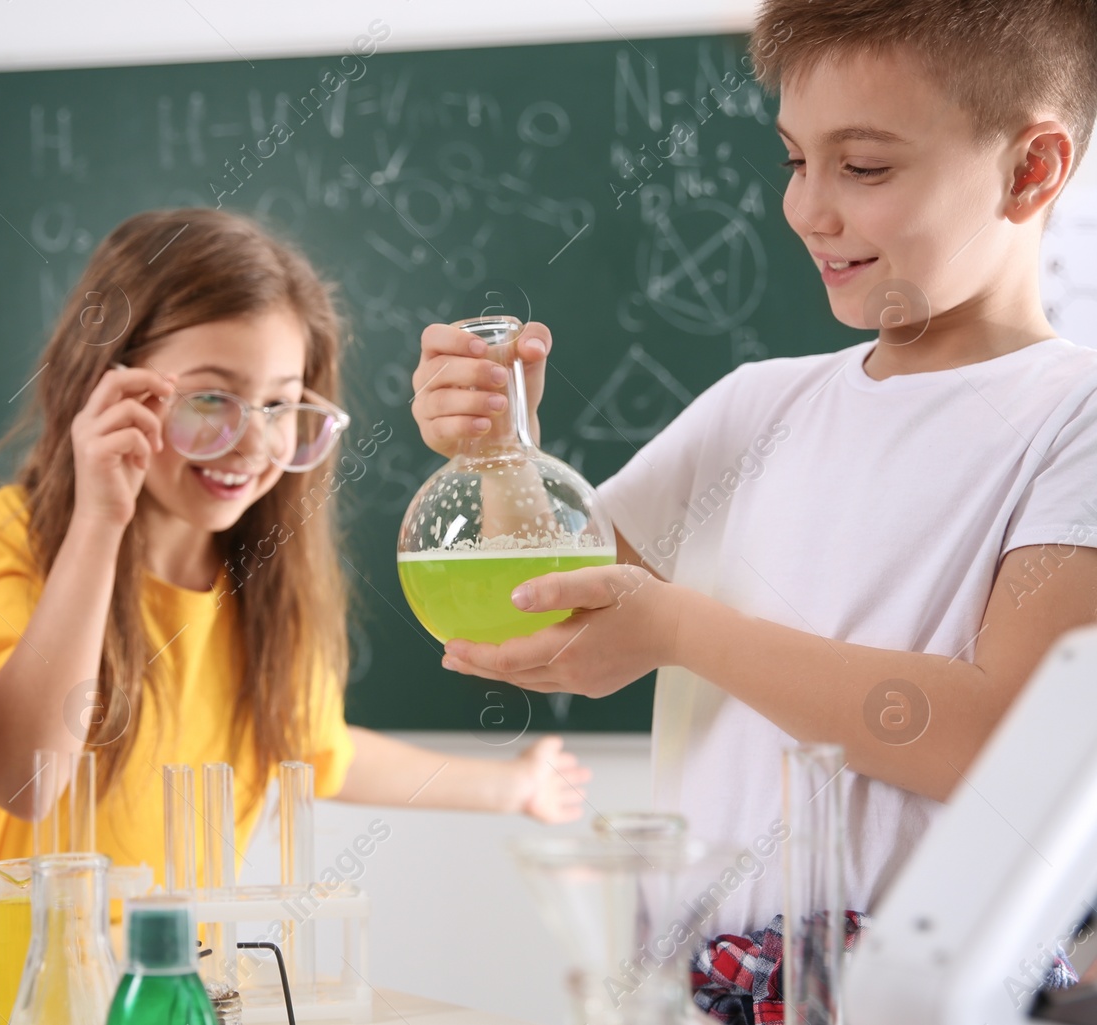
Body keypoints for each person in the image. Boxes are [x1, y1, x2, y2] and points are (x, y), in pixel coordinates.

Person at [410, 0, 1097, 1013]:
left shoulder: (1070, 416)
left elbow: (1006, 740)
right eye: (792, 160)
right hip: (686, 989)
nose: (807, 209)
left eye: (862, 168)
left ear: (1030, 168)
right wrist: (501, 451)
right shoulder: (753, 407)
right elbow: (556, 617)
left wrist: (685, 627)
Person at [0, 208, 593, 873]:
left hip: (181, 977)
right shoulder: (14, 537)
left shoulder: (262, 579)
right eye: (212, 398)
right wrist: (100, 522)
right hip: (12, 967)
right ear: (112, 385)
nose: (252, 442)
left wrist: (515, 785)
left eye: (279, 404)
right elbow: (28, 783)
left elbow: (324, 748)